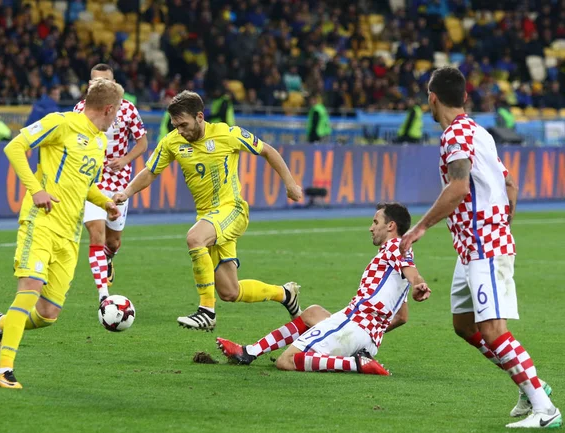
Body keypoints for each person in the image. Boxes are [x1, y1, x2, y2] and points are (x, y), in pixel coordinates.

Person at [399, 66, 561, 429]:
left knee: (492, 330)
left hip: (483, 245)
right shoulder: (480, 132)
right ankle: (529, 385)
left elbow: (457, 189)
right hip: (474, 248)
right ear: (465, 98)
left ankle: (544, 408)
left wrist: (423, 226)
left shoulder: (455, 136)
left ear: (432, 97)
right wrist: (502, 223)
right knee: (464, 325)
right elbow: (511, 185)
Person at [113, 90, 303, 331]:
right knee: (230, 291)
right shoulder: (172, 142)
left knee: (194, 238)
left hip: (232, 210)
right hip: (209, 217)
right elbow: (150, 171)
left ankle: (206, 312)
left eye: (184, 124)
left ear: (200, 116)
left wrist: (290, 184)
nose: (180, 130)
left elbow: (268, 151)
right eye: (175, 125)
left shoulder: (226, 133)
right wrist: (126, 193)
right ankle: (285, 294)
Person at [0, 78, 123, 389]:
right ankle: (4, 371)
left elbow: (84, 184)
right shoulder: (60, 123)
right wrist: (36, 190)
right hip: (41, 223)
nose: (116, 120)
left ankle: (1, 324)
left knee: (47, 314)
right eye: (116, 114)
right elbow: (14, 146)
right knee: (29, 289)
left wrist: (105, 202)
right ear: (108, 109)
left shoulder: (99, 142)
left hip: (69, 234)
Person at [217, 203, 431, 374]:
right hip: (366, 337)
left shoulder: (395, 247)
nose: (371, 227)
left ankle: (357, 364)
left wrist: (418, 283)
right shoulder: (395, 265)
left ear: (391, 226)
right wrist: (371, 334)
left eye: (375, 222)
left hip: (354, 324)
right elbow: (402, 316)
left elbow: (411, 271)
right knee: (313, 313)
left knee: (287, 361)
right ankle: (249, 352)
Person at [74, 64, 148, 302]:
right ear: (89, 85)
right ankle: (104, 297)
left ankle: (109, 258)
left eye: (106, 81)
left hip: (119, 182)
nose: (100, 86)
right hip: (91, 181)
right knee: (95, 234)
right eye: (96, 82)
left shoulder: (127, 110)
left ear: (115, 84)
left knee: (113, 242)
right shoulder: (79, 110)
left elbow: (142, 143)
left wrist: (125, 159)